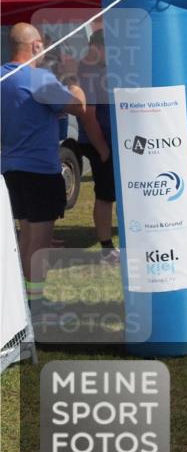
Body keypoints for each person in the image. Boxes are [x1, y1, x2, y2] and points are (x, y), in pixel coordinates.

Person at [2, 24, 104, 311]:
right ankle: (37, 302)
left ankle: (25, 300)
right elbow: (78, 105)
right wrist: (73, 82)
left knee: (26, 235)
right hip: (40, 170)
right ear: (35, 45)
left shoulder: (3, 76)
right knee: (41, 240)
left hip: (11, 168)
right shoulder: (37, 79)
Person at [76, 30, 119, 263]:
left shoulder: (100, 69)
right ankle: (106, 248)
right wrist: (103, 150)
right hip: (100, 142)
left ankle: (110, 244)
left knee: (110, 193)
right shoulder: (89, 71)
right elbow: (88, 115)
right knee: (105, 195)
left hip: (110, 141)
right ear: (98, 47)